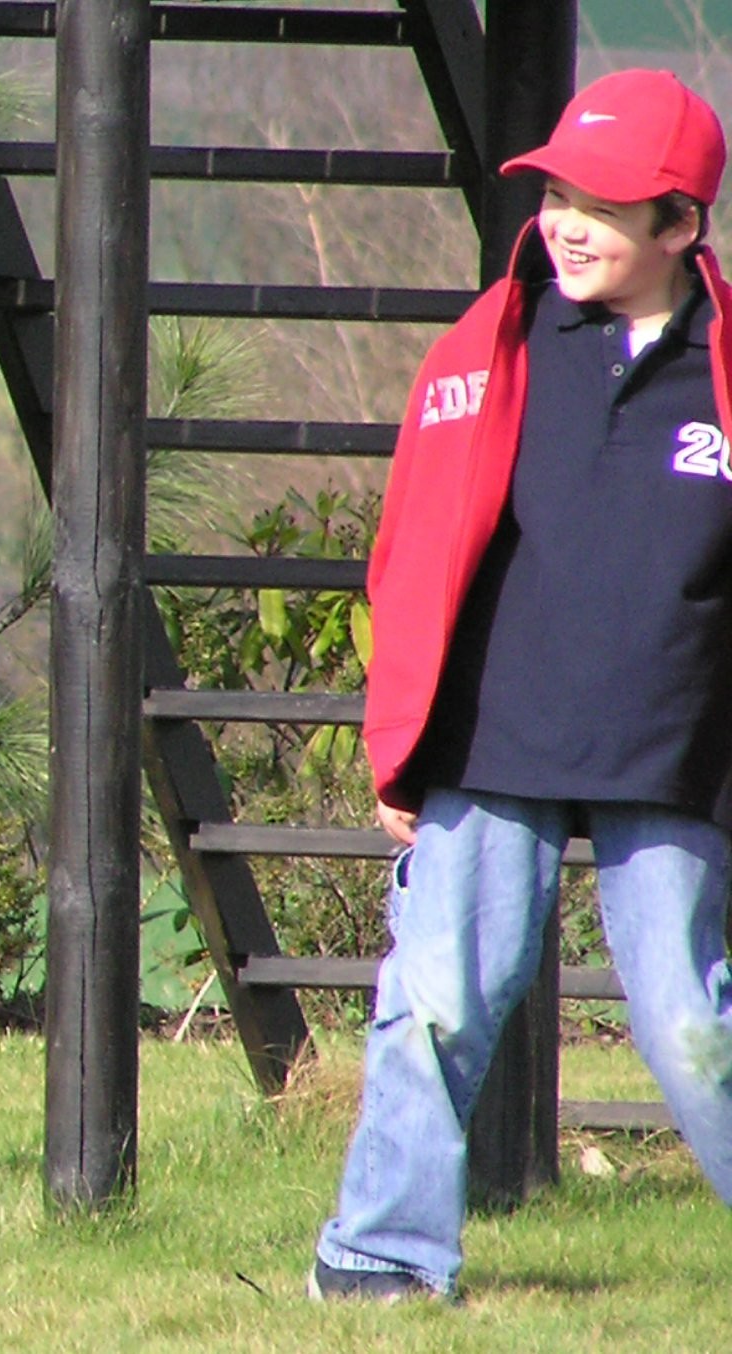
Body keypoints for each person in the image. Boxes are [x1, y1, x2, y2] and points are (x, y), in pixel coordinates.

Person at [310, 67, 732, 1303]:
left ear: (680, 224)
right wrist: (400, 740)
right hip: (493, 734)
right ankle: (378, 1257)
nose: (566, 224)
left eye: (601, 205)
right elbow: (412, 550)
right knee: (437, 1000)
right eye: (555, 196)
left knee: (694, 1029)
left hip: (677, 745)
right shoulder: (486, 347)